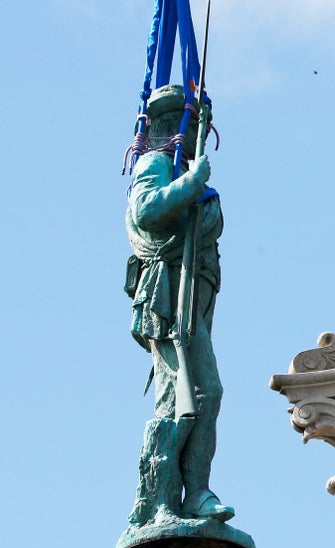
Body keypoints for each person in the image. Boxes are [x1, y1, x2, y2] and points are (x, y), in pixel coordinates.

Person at [124, 84, 233, 525]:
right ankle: (161, 502)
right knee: (184, 396)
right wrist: (190, 183)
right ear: (177, 125)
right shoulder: (156, 165)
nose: (199, 135)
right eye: (195, 124)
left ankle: (196, 493)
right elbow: (147, 211)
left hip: (194, 300)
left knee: (205, 393)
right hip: (169, 300)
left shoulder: (183, 171)